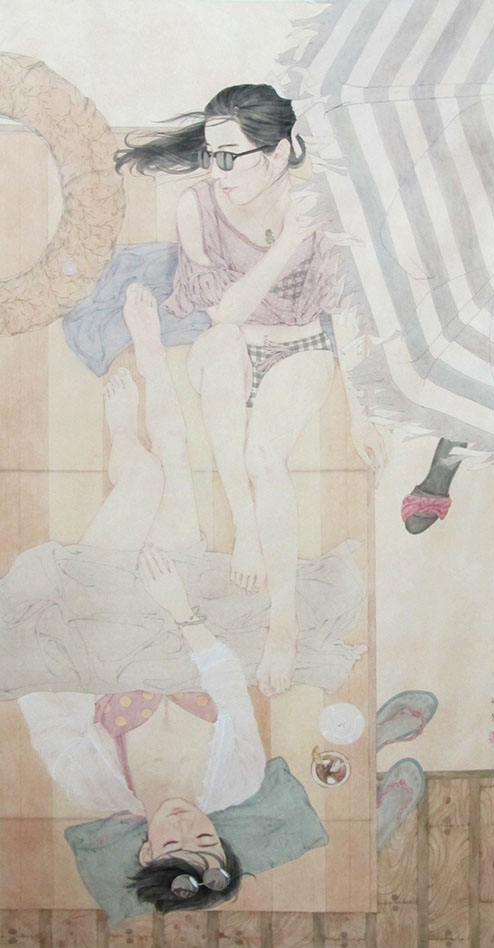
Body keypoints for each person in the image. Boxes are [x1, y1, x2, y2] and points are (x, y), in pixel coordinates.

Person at [115, 84, 385, 696]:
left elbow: (344, 311)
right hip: (232, 341)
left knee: (265, 456)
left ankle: (283, 623)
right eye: (210, 155)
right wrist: (287, 242)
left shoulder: (321, 208)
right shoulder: (198, 206)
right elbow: (226, 312)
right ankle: (246, 528)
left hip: (302, 344)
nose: (216, 170)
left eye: (229, 156)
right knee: (221, 347)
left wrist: (362, 414)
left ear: (280, 151)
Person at [18, 283, 267, 914]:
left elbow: (43, 691)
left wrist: (98, 617)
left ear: (147, 851)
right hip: (181, 610)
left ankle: (123, 436)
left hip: (97, 612)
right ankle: (151, 354)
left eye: (174, 842)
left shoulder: (89, 783)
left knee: (145, 478)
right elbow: (229, 684)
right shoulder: (240, 778)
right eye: (206, 837)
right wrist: (178, 609)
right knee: (174, 467)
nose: (186, 823)